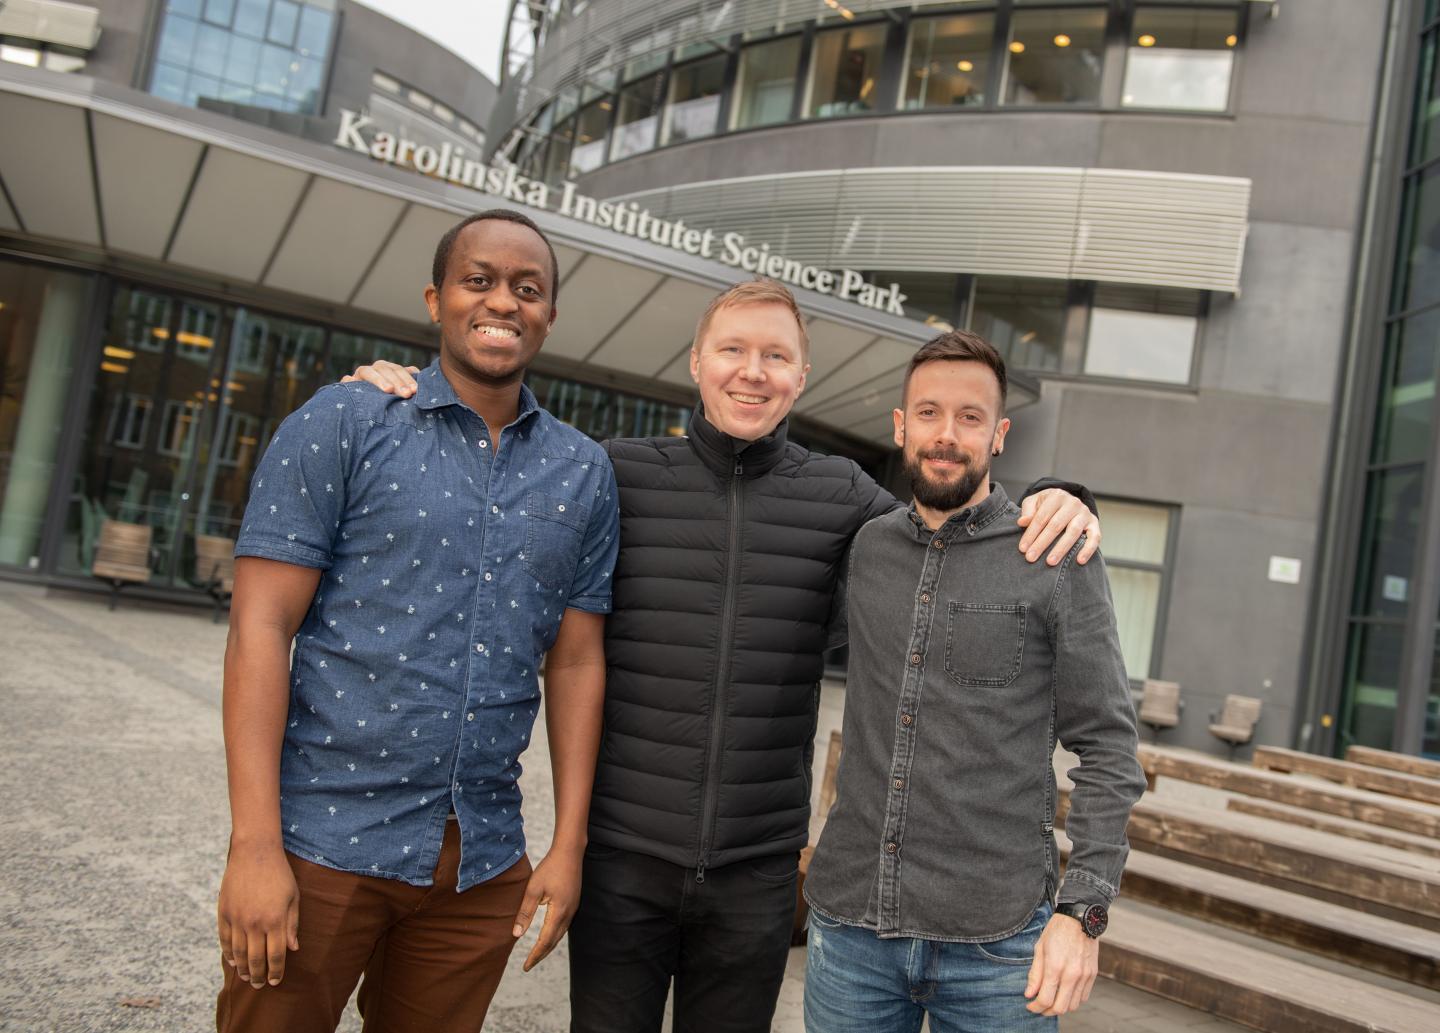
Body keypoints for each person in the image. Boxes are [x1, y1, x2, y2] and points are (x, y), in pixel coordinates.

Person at [347, 279, 1100, 1032]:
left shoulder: (843, 495)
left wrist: (1061, 495)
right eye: (733, 349)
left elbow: (950, 520)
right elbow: (499, 463)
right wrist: (406, 398)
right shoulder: (616, 473)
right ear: (696, 361)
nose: (753, 371)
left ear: (801, 376)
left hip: (757, 877)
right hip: (623, 865)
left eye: (776, 356)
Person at [215, 209, 619, 1033]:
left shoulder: (583, 471)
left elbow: (577, 660)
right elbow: (260, 626)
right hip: (322, 841)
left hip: (479, 866)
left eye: (527, 288)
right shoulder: (345, 421)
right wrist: (253, 846)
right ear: (436, 300)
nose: (502, 301)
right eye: (479, 280)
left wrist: (567, 845)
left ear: (549, 314)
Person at [802, 330, 1146, 1032]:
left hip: (998, 947)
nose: (947, 435)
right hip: (851, 929)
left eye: (970, 417)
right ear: (900, 426)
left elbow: (1110, 748)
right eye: (928, 413)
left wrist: (1083, 913)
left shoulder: (1054, 555)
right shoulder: (867, 549)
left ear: (999, 435)